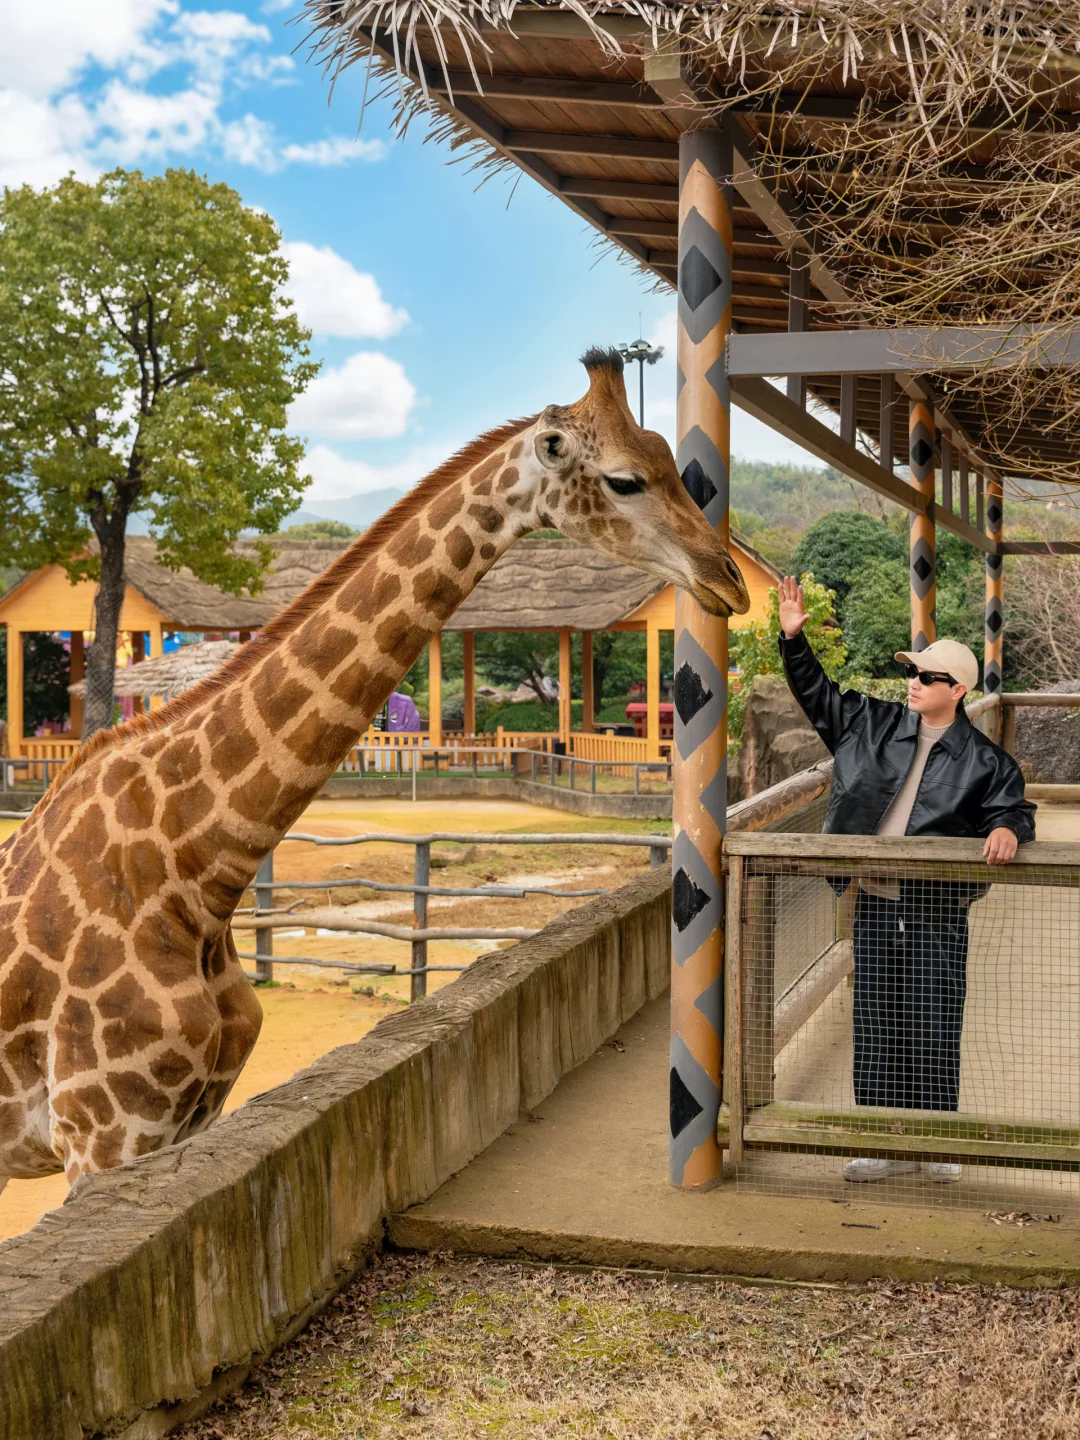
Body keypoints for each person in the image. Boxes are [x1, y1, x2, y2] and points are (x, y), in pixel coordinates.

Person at [777, 577, 1036, 1184]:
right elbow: (816, 692)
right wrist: (793, 639)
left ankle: (936, 1140)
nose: (913, 682)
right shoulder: (868, 723)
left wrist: (1008, 829)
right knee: (876, 1021)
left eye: (927, 676)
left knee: (934, 1020)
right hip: (873, 901)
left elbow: (1013, 809)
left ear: (959, 690)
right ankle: (880, 1140)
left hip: (936, 909)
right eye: (912, 673)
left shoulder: (986, 761)